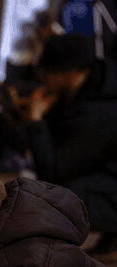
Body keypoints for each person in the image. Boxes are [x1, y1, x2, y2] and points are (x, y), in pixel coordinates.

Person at [23, 32, 117, 254]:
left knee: (52, 198)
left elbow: (55, 171)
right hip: (105, 185)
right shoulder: (86, 94)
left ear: (69, 72)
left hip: (111, 196)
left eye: (48, 71)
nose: (43, 77)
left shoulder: (99, 111)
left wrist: (35, 120)